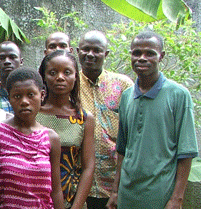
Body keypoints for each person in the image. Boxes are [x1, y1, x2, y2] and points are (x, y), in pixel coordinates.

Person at [106, 31, 198, 209]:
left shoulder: (178, 95)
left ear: (161, 56)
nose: (142, 58)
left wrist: (177, 198)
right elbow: (123, 150)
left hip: (160, 195)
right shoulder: (126, 96)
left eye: (150, 53)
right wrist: (116, 191)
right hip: (127, 195)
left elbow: (186, 153)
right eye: (136, 53)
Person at [0, 68, 64, 209]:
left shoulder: (51, 138)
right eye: (17, 96)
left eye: (30, 95)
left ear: (42, 95)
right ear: (9, 98)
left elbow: (56, 190)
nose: (24, 102)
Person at [76, 31, 134, 209]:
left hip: (115, 184)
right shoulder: (70, 84)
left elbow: (132, 129)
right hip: (78, 183)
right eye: (86, 49)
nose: (90, 54)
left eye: (97, 50)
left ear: (106, 54)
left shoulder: (123, 85)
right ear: (78, 51)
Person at [37, 50, 96, 209]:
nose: (60, 77)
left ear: (76, 76)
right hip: (35, 200)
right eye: (53, 72)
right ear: (43, 76)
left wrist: (76, 206)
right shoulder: (32, 114)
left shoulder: (84, 119)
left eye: (67, 72)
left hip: (71, 200)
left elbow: (88, 167)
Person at [0, 41, 24, 113]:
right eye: (2, 58)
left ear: (21, 61)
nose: (7, 61)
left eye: (12, 57)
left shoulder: (31, 94)